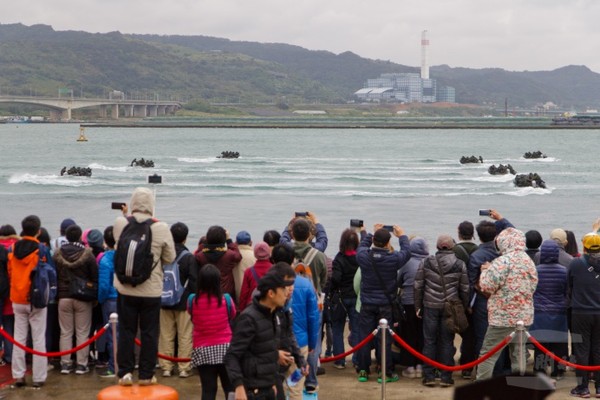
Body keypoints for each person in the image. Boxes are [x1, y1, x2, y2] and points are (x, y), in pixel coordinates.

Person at [113, 187, 176, 386]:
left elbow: (118, 246)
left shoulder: (121, 223)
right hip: (151, 290)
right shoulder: (161, 227)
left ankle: (125, 373)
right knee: (149, 332)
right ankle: (147, 375)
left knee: (126, 330)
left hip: (125, 287)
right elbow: (170, 257)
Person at [475, 227, 538, 381]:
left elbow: (486, 286)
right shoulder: (529, 262)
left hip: (502, 318)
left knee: (488, 354)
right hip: (524, 317)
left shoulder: (502, 261)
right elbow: (533, 286)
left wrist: (485, 270)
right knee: (519, 353)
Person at [224, 269, 294, 400]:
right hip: (252, 392)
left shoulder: (273, 314)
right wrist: (239, 388)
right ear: (271, 293)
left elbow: (261, 348)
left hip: (268, 387)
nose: (287, 292)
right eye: (283, 289)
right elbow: (231, 356)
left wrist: (272, 382)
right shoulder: (248, 318)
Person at [356, 223, 411, 383]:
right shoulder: (393, 258)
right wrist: (402, 236)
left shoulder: (364, 256)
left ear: (374, 240)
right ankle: (384, 371)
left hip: (367, 303)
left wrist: (369, 234)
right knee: (384, 339)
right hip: (385, 304)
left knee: (364, 337)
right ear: (388, 243)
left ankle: (363, 370)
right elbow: (407, 252)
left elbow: (361, 247)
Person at [414, 234, 469, 387]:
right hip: (450, 307)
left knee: (429, 341)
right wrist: (463, 307)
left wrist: (417, 306)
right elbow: (465, 288)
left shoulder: (426, 262)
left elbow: (418, 285)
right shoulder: (459, 264)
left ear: (438, 247)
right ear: (452, 247)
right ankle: (446, 377)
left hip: (430, 306)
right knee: (447, 341)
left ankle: (429, 376)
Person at [7, 215, 53, 388]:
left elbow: (10, 272)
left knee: (19, 338)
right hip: (35, 298)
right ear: (38, 231)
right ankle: (39, 377)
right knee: (38, 337)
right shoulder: (41, 249)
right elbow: (49, 272)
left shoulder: (12, 248)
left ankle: (18, 375)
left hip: (17, 297)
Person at [289, 217, 328, 394]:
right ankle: (310, 381)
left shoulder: (285, 252)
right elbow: (324, 279)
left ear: (291, 233)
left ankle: (292, 380)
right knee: (312, 344)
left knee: (289, 339)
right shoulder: (318, 256)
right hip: (314, 302)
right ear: (311, 234)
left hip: (290, 301)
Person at [53, 224, 98, 375]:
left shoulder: (58, 254)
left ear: (66, 236)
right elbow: (94, 276)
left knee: (65, 332)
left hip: (64, 297)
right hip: (83, 296)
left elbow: (55, 275)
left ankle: (65, 364)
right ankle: (81, 364)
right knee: (82, 332)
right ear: (80, 236)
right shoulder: (88, 254)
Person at [188, 264, 235, 400]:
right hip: (226, 349)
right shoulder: (226, 299)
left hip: (203, 350)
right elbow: (231, 315)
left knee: (208, 390)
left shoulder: (192, 300)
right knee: (230, 388)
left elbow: (192, 316)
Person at [159, 222, 197, 378]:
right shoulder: (188, 257)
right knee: (185, 335)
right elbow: (194, 282)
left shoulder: (162, 255)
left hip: (163, 300)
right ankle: (183, 367)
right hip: (183, 303)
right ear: (185, 238)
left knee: (166, 335)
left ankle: (166, 367)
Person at [529, 239, 568, 380]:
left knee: (540, 343)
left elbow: (531, 291)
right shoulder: (564, 271)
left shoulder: (535, 271)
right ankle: (558, 370)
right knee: (559, 342)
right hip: (559, 311)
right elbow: (566, 292)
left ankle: (539, 370)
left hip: (539, 311)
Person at [568, 233, 600, 398]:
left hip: (580, 311)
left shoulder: (576, 264)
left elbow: (569, 285)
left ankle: (583, 387)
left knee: (582, 349)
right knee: (598, 348)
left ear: (585, 247)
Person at [330, 228, 362, 370]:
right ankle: (356, 359)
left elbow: (336, 278)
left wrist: (331, 288)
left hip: (341, 297)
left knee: (337, 328)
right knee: (356, 329)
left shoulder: (339, 258)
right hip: (356, 297)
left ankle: (340, 360)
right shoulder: (360, 258)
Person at [397, 237, 429, 378]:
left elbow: (398, 281)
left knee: (409, 334)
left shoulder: (406, 262)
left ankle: (410, 366)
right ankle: (421, 365)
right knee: (423, 335)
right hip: (425, 303)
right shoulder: (430, 261)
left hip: (408, 303)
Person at [452, 221, 478, 379]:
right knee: (471, 335)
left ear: (458, 232)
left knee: (449, 332)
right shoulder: (479, 250)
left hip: (455, 297)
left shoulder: (453, 250)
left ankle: (446, 363)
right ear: (473, 233)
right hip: (475, 298)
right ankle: (467, 367)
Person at [195, 225, 242, 303]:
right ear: (223, 240)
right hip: (225, 293)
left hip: (206, 292)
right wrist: (229, 240)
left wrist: (206, 243)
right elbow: (238, 256)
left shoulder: (201, 256)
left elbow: (196, 255)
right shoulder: (229, 255)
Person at [97, 226, 118, 378]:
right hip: (124, 298)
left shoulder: (105, 260)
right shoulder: (122, 257)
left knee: (112, 336)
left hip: (110, 299)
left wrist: (100, 299)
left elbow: (104, 285)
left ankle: (113, 366)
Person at [238, 242, 272, 311]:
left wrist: (242, 310)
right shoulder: (275, 269)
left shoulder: (249, 271)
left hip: (252, 307)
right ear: (269, 253)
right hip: (270, 305)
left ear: (255, 254)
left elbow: (244, 294)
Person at [233, 231, 256, 303]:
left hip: (234, 297)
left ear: (236, 243)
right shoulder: (255, 256)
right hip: (251, 297)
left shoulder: (232, 256)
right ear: (251, 243)